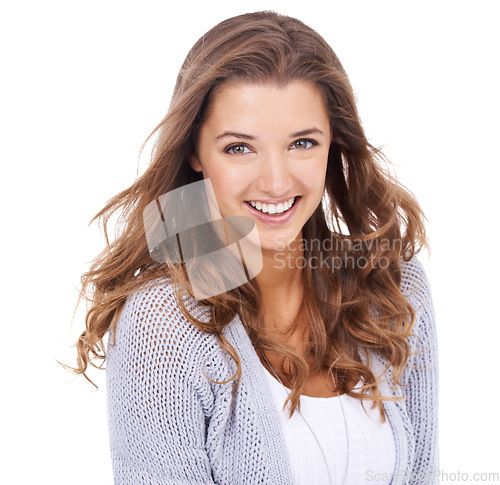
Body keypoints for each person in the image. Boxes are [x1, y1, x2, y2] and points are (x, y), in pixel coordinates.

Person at [71, 11, 439, 485]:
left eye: (302, 142)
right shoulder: (163, 320)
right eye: (239, 148)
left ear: (334, 146)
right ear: (193, 153)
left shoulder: (394, 287)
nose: (276, 181)